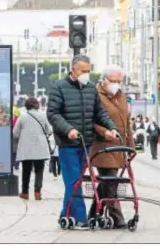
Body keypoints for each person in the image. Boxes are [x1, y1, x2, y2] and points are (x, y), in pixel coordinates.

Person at [47, 54, 118, 229]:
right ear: (73, 70)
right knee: (74, 181)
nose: (86, 74)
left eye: (88, 71)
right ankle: (80, 218)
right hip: (67, 143)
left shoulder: (90, 88)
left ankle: (66, 214)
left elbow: (99, 113)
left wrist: (111, 127)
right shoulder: (59, 87)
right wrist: (68, 129)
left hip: (86, 143)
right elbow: (53, 114)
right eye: (83, 71)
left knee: (77, 180)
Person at [88, 64, 134, 229]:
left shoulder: (121, 95)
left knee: (106, 182)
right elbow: (90, 120)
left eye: (119, 81)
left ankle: (93, 214)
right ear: (104, 80)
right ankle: (117, 218)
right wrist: (104, 132)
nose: (116, 84)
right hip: (103, 146)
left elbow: (126, 123)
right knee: (111, 181)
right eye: (113, 80)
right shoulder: (95, 94)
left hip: (120, 147)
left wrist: (131, 147)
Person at [13, 97, 51, 201]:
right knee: (39, 170)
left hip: (26, 148)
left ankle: (25, 192)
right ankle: (37, 192)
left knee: (26, 170)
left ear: (26, 105)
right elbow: (49, 130)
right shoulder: (43, 115)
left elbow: (15, 133)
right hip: (40, 147)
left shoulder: (23, 116)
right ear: (36, 105)